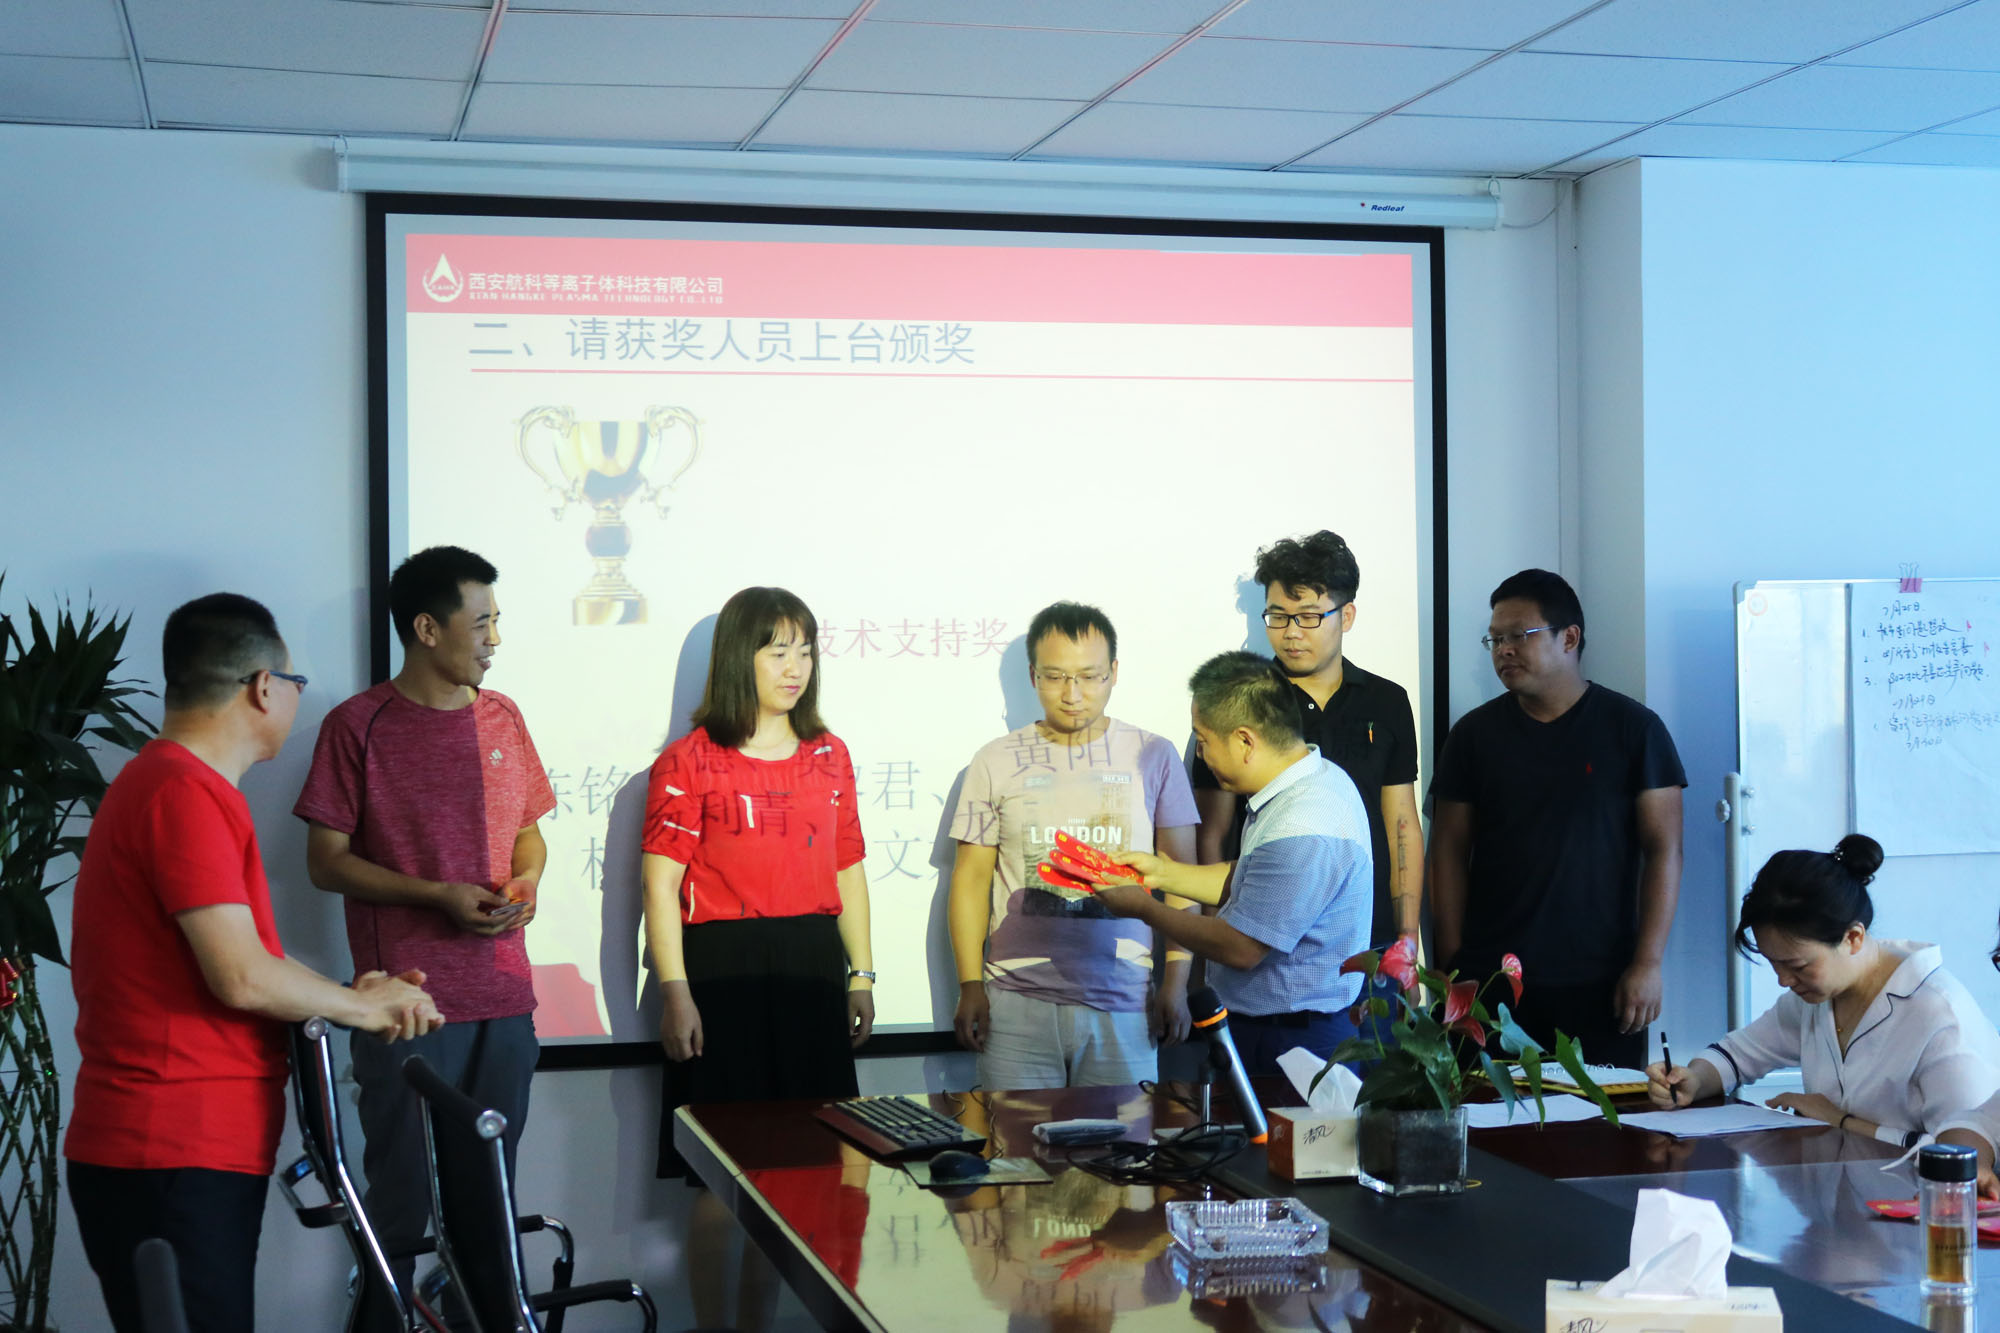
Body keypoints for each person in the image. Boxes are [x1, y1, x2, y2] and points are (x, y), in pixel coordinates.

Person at [66, 593, 441, 1333]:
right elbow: (239, 975)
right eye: (295, 683)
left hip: (179, 1151)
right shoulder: (183, 791)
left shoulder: (175, 784)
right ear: (264, 687)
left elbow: (245, 960)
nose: (296, 698)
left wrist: (343, 991)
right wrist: (363, 1007)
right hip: (168, 1148)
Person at [294, 546, 554, 1331]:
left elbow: (530, 833)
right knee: (400, 1208)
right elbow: (326, 862)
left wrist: (526, 881)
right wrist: (436, 895)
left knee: (488, 1208)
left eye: (497, 621)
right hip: (406, 1010)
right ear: (427, 628)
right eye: (482, 623)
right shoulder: (357, 725)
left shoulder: (504, 715)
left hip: (504, 1000)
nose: (495, 639)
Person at [640, 586, 874, 1333]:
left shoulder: (829, 754)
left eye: (805, 650)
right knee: (722, 1176)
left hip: (810, 966)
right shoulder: (689, 759)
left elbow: (847, 867)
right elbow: (660, 883)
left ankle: (759, 1326)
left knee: (803, 1174)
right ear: (740, 657)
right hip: (723, 972)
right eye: (778, 650)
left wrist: (861, 972)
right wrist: (675, 990)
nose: (795, 666)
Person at [1428, 568, 1685, 1068]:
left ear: (1569, 638)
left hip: (1601, 982)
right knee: (1486, 1113)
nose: (1503, 650)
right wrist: (1451, 968)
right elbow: (1448, 853)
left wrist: (1648, 963)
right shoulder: (1473, 736)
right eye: (1495, 639)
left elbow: (1665, 851)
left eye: (1518, 635)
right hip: (1491, 982)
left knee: (1601, 1116)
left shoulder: (1634, 730)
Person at [946, 601, 1201, 1089]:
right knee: (1015, 1138)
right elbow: (971, 880)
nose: (1072, 694)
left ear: (1114, 673)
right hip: (1014, 1005)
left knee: (1122, 1138)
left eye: (1089, 676)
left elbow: (1182, 878)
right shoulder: (994, 761)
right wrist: (970, 984)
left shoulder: (1153, 754)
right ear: (1033, 676)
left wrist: (1175, 982)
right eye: (1055, 677)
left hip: (1125, 1003)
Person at [1087, 651, 1372, 1077]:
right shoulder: (1311, 781)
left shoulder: (1304, 822)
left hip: (1291, 1041)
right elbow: (1254, 881)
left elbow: (1242, 947)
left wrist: (1145, 907)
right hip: (1275, 1029)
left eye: (1203, 741)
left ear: (1244, 741)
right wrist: (1162, 873)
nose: (1200, 755)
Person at [1648, 835, 2000, 1150]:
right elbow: (1737, 1056)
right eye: (1774, 964)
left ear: (1853, 938)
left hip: (1918, 1200)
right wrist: (1694, 1079)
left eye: (1797, 966)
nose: (1784, 981)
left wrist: (1841, 1122)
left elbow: (1965, 1154)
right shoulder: (1818, 998)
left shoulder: (1939, 1016)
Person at [1191, 532, 1422, 948]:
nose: (1291, 633)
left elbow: (1400, 824)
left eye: (1309, 617)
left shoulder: (1387, 701)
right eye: (1278, 616)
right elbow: (1213, 832)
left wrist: (1406, 938)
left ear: (1346, 616)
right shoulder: (1238, 701)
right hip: (1264, 937)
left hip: (1369, 940)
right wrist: (1213, 937)